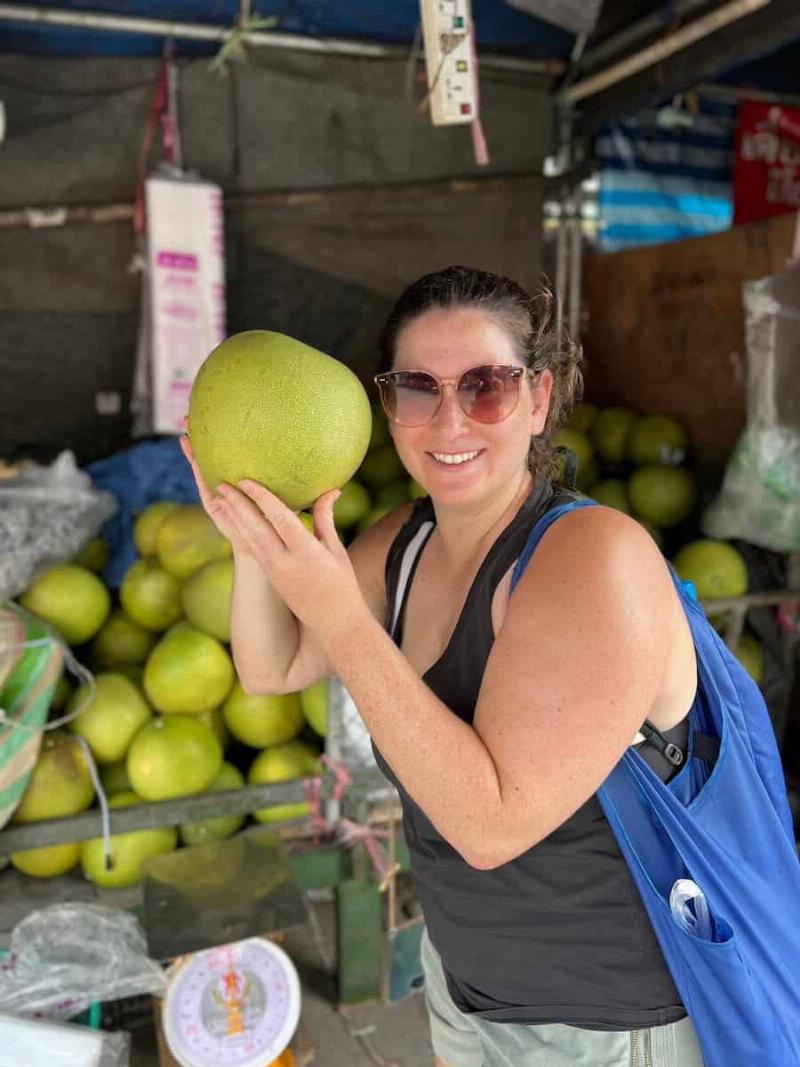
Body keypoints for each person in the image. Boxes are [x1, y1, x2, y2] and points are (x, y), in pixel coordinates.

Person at [181, 265, 706, 1067]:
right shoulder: (406, 541)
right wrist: (253, 527)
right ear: (387, 409)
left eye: (486, 386)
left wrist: (343, 619)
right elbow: (273, 665)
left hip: (604, 1022)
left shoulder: (596, 560)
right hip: (466, 988)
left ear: (538, 399)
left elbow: (490, 826)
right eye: (419, 389)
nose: (450, 419)